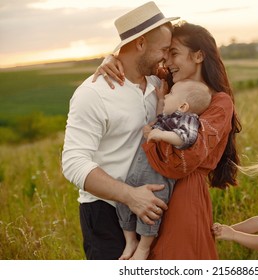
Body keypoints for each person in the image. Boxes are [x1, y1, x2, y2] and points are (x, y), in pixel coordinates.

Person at [94, 21, 242, 259]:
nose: (167, 62)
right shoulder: (169, 84)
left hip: (184, 197)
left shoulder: (219, 102)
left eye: (174, 53)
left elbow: (183, 160)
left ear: (198, 56)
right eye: (166, 53)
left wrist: (152, 138)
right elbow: (134, 63)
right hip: (153, 193)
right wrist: (111, 60)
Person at [61, 2, 179, 260]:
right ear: (140, 43)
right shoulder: (93, 94)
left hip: (151, 213)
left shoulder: (160, 84)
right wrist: (130, 196)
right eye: (163, 49)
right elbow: (73, 162)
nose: (166, 57)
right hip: (106, 214)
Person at [118, 79, 211, 260]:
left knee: (152, 211)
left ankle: (144, 247)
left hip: (158, 178)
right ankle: (130, 240)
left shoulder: (189, 119)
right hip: (139, 170)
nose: (168, 95)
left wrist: (161, 135)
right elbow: (161, 113)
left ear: (183, 106)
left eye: (172, 94)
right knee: (122, 201)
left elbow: (186, 138)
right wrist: (161, 99)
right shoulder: (168, 117)